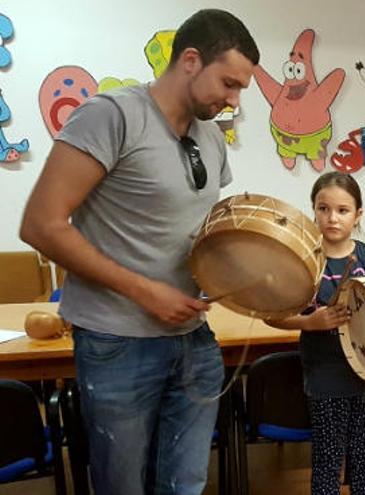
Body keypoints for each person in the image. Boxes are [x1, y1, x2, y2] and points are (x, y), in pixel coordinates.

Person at [18, 9, 258, 495]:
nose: (233, 100)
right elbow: (40, 224)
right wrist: (145, 291)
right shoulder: (112, 115)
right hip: (117, 342)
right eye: (229, 83)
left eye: (241, 91)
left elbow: (199, 230)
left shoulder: (211, 134)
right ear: (191, 60)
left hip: (193, 341)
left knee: (185, 485)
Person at [265, 172, 365, 495]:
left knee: (364, 462)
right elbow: (271, 316)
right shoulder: (302, 261)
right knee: (327, 465)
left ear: (358, 214)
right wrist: (311, 323)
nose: (332, 218)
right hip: (326, 378)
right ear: (314, 210)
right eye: (323, 209)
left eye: (343, 210)